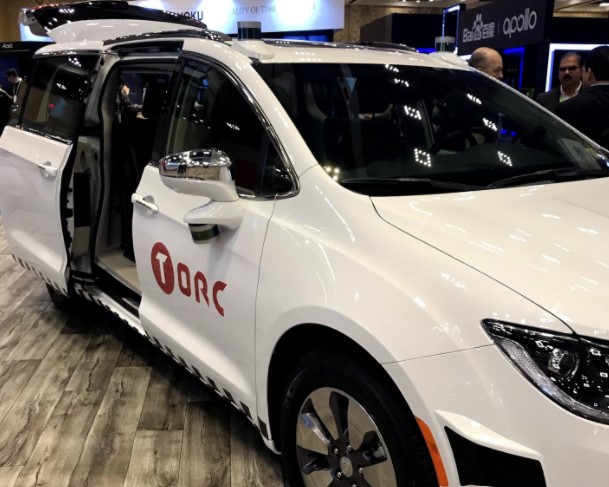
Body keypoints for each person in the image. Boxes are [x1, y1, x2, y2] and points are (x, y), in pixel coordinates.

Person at [556, 46, 609, 147]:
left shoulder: (568, 108)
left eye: (572, 68)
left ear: (589, 72)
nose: (567, 72)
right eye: (562, 69)